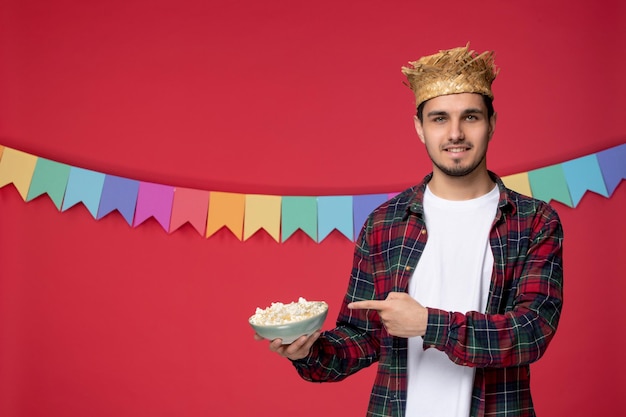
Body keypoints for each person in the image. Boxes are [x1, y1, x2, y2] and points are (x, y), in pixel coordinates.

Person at [254, 44, 564, 417]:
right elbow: (362, 337)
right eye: (438, 118)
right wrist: (308, 351)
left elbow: (532, 332)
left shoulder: (533, 220)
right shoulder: (385, 223)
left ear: (492, 123)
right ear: (419, 128)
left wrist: (429, 324)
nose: (454, 133)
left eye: (470, 117)